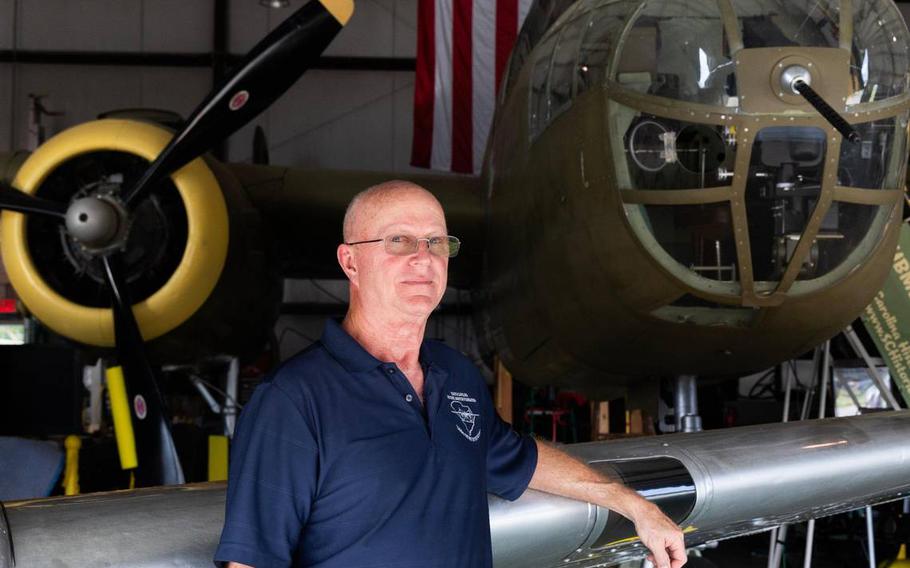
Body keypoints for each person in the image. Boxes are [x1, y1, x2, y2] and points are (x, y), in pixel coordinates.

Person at [214, 181, 686, 568]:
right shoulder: (293, 400)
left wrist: (636, 506)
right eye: (398, 241)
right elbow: (251, 561)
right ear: (350, 261)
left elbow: (517, 457)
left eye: (437, 242)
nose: (423, 258)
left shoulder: (455, 376)